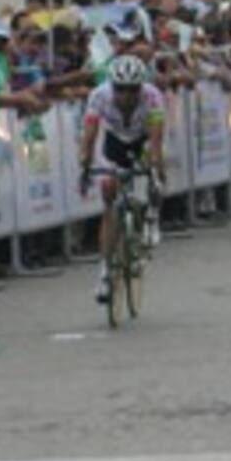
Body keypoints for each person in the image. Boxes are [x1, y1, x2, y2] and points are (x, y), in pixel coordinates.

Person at [78, 55, 165, 303]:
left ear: (141, 87)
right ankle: (105, 273)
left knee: (156, 169)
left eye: (132, 89)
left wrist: (155, 168)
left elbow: (156, 141)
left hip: (142, 139)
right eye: (121, 89)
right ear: (112, 86)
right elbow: (89, 135)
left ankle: (152, 218)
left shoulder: (152, 96)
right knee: (110, 202)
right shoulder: (99, 95)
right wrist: (84, 164)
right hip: (114, 141)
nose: (126, 95)